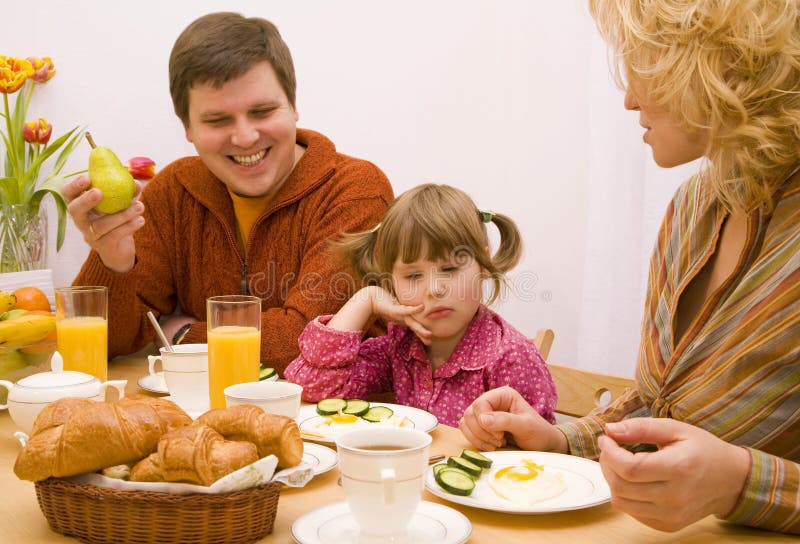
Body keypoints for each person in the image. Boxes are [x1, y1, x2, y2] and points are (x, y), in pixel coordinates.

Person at [460, 0, 800, 534]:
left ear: (725, 62)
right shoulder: (692, 208)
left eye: (646, 67)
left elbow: (718, 458)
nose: (627, 98)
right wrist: (560, 440)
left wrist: (741, 482)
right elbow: (658, 400)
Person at [61, 12, 393, 375]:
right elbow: (105, 343)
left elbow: (304, 343)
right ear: (187, 128)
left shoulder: (356, 191)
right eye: (218, 121)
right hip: (206, 416)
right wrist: (113, 258)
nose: (245, 137)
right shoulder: (174, 191)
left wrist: (182, 332)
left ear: (294, 107)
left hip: (328, 426)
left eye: (262, 111)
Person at [284, 183, 557, 427]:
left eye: (450, 268)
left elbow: (539, 457)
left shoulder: (511, 358)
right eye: (413, 276)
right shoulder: (399, 347)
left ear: (483, 265)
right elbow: (311, 386)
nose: (434, 289)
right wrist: (367, 298)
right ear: (391, 280)